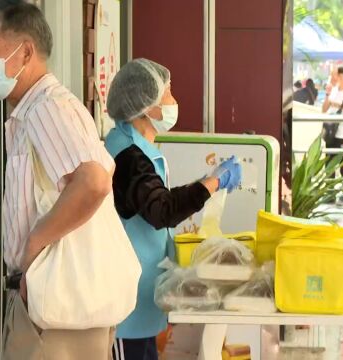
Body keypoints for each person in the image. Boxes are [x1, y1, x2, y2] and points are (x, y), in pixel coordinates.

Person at [0, 1, 121, 358]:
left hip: (56, 311)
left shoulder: (47, 107)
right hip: (51, 304)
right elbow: (105, 168)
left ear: (25, 51)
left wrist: (34, 247)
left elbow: (94, 182)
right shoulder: (39, 109)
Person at [104, 59, 242, 360]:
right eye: (167, 92)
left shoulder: (135, 148)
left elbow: (156, 200)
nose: (173, 101)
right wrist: (213, 182)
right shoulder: (127, 156)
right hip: (124, 303)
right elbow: (161, 210)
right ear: (146, 106)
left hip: (139, 298)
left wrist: (209, 182)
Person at [322, 66, 343, 177]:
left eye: (333, 75)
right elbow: (324, 109)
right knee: (329, 162)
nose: (331, 77)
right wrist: (327, 94)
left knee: (342, 165)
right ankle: (329, 188)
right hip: (331, 131)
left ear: (341, 76)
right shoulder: (333, 90)